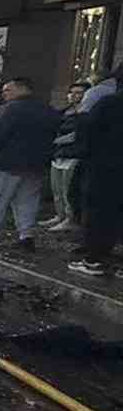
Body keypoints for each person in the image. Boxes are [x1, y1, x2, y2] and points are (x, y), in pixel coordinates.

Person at [0, 77, 59, 249]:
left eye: (7, 90)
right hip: (34, 164)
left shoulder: (11, 109)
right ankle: (26, 237)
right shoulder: (46, 110)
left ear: (21, 89)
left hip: (6, 161)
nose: (4, 94)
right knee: (27, 201)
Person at [70, 87, 123, 276]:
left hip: (105, 167)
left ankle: (95, 259)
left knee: (99, 212)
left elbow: (89, 133)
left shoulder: (110, 103)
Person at [40, 80, 90, 232]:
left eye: (79, 93)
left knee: (68, 189)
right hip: (58, 154)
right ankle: (59, 215)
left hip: (73, 154)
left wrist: (58, 140)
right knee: (57, 188)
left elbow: (79, 135)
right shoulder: (63, 112)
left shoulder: (86, 114)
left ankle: (70, 218)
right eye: (72, 92)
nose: (74, 96)